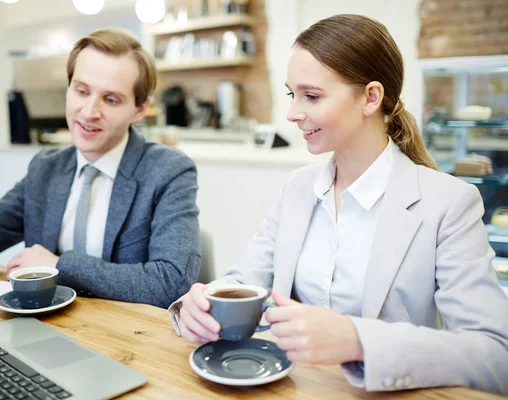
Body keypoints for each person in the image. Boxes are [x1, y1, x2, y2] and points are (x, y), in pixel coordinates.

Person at [169, 14, 508, 394]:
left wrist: (356, 339)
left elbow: (495, 354)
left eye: (311, 96)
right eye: (291, 94)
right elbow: (244, 282)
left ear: (371, 97)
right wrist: (199, 306)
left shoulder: (448, 203)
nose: (293, 113)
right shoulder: (297, 188)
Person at [0, 27, 201, 309]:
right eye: (82, 91)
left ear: (139, 109)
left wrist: (59, 266)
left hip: (127, 340)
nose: (89, 112)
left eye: (110, 99)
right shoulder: (46, 169)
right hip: (47, 329)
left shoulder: (169, 171)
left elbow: (171, 281)